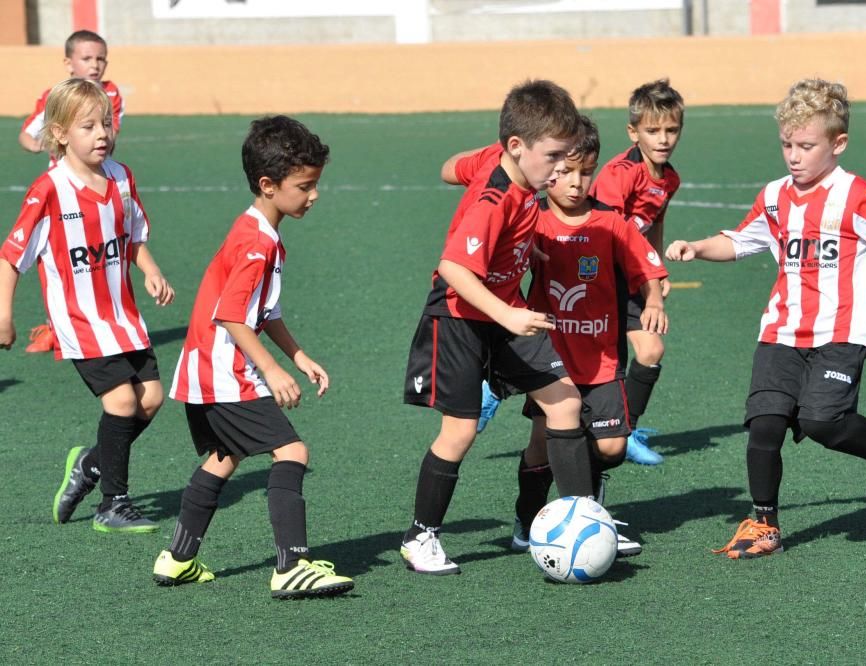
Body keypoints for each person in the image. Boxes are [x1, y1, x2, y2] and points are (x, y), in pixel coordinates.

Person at [665, 78, 866, 559]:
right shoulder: (774, 196)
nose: (793, 155)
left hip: (842, 332)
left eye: (806, 146)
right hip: (782, 330)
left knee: (822, 422)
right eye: (787, 144)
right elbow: (743, 240)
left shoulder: (859, 196)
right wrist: (698, 248)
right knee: (764, 425)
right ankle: (764, 524)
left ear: (838, 144)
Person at [154, 115, 354, 599]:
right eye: (304, 186)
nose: (313, 195)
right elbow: (232, 316)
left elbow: (262, 311)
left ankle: (178, 558)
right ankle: (292, 566)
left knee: (225, 456)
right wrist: (271, 368)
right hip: (226, 371)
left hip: (203, 370)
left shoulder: (260, 232)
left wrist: (298, 354)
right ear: (268, 185)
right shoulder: (255, 242)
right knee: (293, 452)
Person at [400, 79, 588, 575]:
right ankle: (421, 537)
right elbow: (453, 269)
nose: (561, 168)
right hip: (463, 315)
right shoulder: (494, 199)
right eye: (553, 157)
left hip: (502, 310)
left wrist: (523, 247)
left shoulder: (501, 161)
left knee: (564, 403)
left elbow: (448, 169)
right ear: (517, 146)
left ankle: (566, 521)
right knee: (460, 431)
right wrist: (507, 314)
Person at [0, 78, 173, 532]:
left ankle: (91, 466)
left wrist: (150, 269)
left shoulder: (121, 177)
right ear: (59, 134)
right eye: (88, 126)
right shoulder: (49, 190)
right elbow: (11, 257)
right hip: (81, 321)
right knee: (120, 401)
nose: (102, 134)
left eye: (106, 123)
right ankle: (112, 504)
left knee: (151, 399)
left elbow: (133, 236)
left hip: (124, 316)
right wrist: (4, 316)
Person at [511, 117, 668, 558]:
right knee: (543, 441)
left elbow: (645, 266)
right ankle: (530, 517)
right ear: (548, 167)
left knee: (613, 446)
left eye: (586, 171)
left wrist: (653, 300)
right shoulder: (532, 220)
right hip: (550, 361)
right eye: (565, 172)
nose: (577, 183)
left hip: (600, 358)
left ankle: (589, 516)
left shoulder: (610, 222)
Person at [589, 78, 684, 465]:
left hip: (630, 276)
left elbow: (653, 225)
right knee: (579, 357)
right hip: (596, 277)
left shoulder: (669, 178)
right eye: (653, 130)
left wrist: (655, 270)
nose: (663, 139)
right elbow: (615, 230)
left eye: (672, 130)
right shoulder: (619, 174)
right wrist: (652, 285)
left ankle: (624, 429)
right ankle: (494, 386)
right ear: (633, 132)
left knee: (651, 349)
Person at [18, 30, 126, 354]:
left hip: (95, 184)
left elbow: (112, 136)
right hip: (60, 191)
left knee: (96, 259)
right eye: (87, 58)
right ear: (69, 63)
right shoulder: (56, 96)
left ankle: (102, 319)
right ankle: (55, 328)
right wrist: (39, 144)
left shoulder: (110, 92)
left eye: (101, 58)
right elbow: (27, 133)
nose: (95, 65)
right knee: (55, 262)